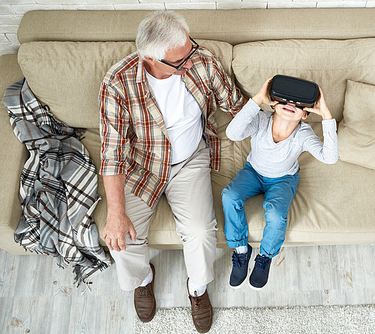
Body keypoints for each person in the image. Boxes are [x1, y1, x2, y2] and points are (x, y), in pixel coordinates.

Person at [98, 10, 245, 333]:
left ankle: (197, 289)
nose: (190, 62)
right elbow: (112, 154)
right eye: (181, 62)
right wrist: (116, 211)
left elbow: (236, 105)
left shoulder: (201, 62)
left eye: (190, 50)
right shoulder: (118, 83)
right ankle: (144, 278)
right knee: (119, 238)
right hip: (142, 164)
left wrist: (275, 114)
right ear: (151, 59)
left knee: (201, 232)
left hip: (190, 160)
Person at [221, 77, 338, 290]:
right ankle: (240, 250)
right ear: (273, 103)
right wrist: (257, 99)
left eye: (299, 105)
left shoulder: (303, 134)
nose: (291, 105)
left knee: (275, 214)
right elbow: (232, 133)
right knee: (229, 196)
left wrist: (326, 115)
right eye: (285, 101)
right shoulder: (261, 120)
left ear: (306, 114)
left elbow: (329, 157)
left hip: (283, 179)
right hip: (253, 172)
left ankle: (265, 256)